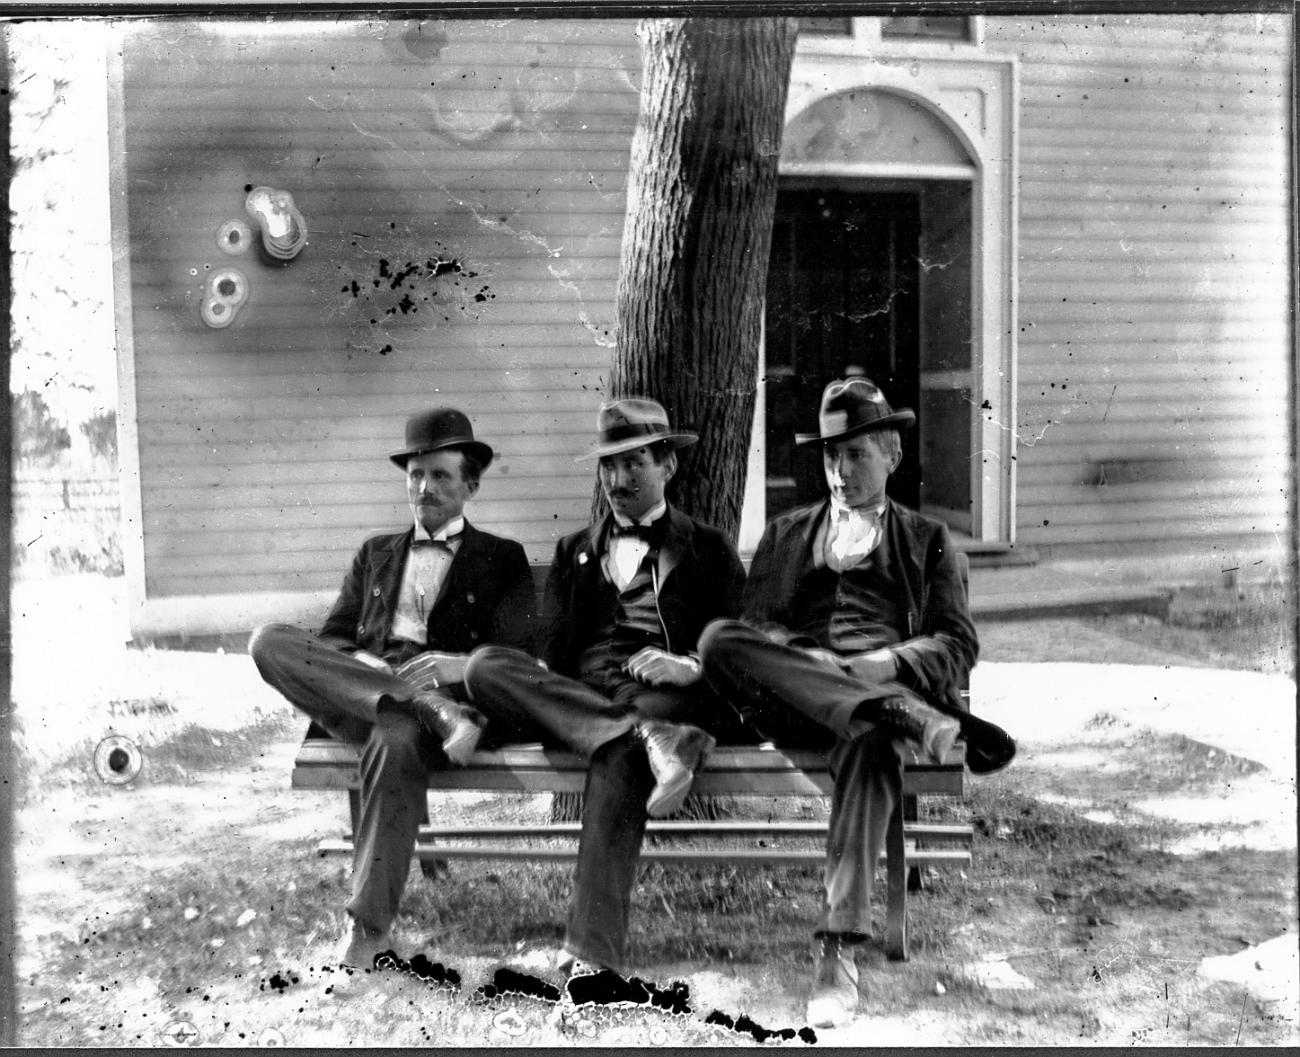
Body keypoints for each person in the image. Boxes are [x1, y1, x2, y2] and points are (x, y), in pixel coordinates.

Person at [698, 377, 1015, 1028]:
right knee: (717, 639)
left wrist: (887, 663)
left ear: (892, 455)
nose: (841, 472)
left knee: (870, 742)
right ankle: (890, 710)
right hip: (794, 704)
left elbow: (957, 644)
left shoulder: (928, 540)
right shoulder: (786, 534)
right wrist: (807, 658)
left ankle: (837, 952)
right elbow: (755, 628)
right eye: (831, 456)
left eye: (856, 454)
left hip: (873, 699)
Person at [463, 396, 746, 982]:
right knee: (486, 666)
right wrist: (543, 685)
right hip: (584, 698)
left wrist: (691, 665)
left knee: (618, 752)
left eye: (634, 463)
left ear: (668, 464)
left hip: (660, 694)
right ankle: (650, 738)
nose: (617, 480)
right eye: (609, 466)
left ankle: (592, 951)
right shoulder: (574, 551)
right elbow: (548, 651)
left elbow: (742, 642)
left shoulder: (708, 546)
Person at [248, 408, 534, 972]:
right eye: (415, 475)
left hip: (437, 709)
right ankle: (420, 705)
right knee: (267, 641)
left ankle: (366, 930)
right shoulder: (374, 553)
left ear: (471, 485)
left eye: (440, 476)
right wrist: (365, 664)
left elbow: (516, 655)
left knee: (395, 740)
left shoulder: (502, 558)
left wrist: (455, 667)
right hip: (367, 697)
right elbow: (332, 636)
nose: (424, 488)